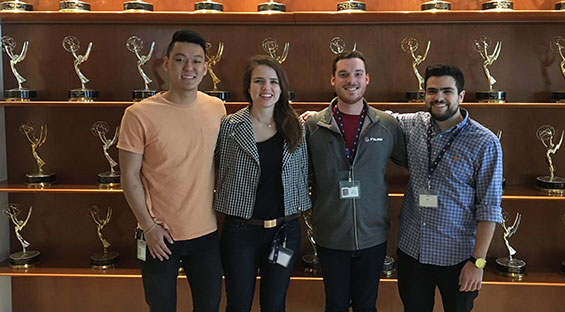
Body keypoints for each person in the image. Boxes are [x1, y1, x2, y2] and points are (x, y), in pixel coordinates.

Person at [118, 29, 225, 312]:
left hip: (205, 234)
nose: (188, 68)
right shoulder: (138, 114)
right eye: (180, 60)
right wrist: (149, 227)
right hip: (159, 236)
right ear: (166, 63)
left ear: (205, 67)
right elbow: (128, 178)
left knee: (209, 305)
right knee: (161, 306)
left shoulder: (217, 109)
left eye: (196, 61)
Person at [392, 64, 503, 312]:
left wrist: (477, 263)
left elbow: (489, 208)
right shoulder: (412, 124)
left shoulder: (485, 142)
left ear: (461, 96)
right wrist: (323, 114)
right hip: (413, 253)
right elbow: (372, 116)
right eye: (432, 91)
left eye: (447, 91)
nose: (438, 97)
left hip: (459, 258)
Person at [304, 50, 407, 312]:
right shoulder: (313, 126)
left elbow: (411, 160)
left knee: (366, 305)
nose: (352, 80)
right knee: (335, 305)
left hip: (373, 235)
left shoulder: (386, 124)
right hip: (330, 236)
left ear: (367, 79)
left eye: (358, 74)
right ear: (332, 80)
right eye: (344, 74)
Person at [214, 55, 311, 312]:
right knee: (238, 303)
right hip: (240, 231)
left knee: (275, 304)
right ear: (248, 87)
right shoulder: (229, 127)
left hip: (284, 231)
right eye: (259, 81)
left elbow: (306, 172)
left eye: (273, 82)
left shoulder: (297, 127)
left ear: (282, 88)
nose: (266, 88)